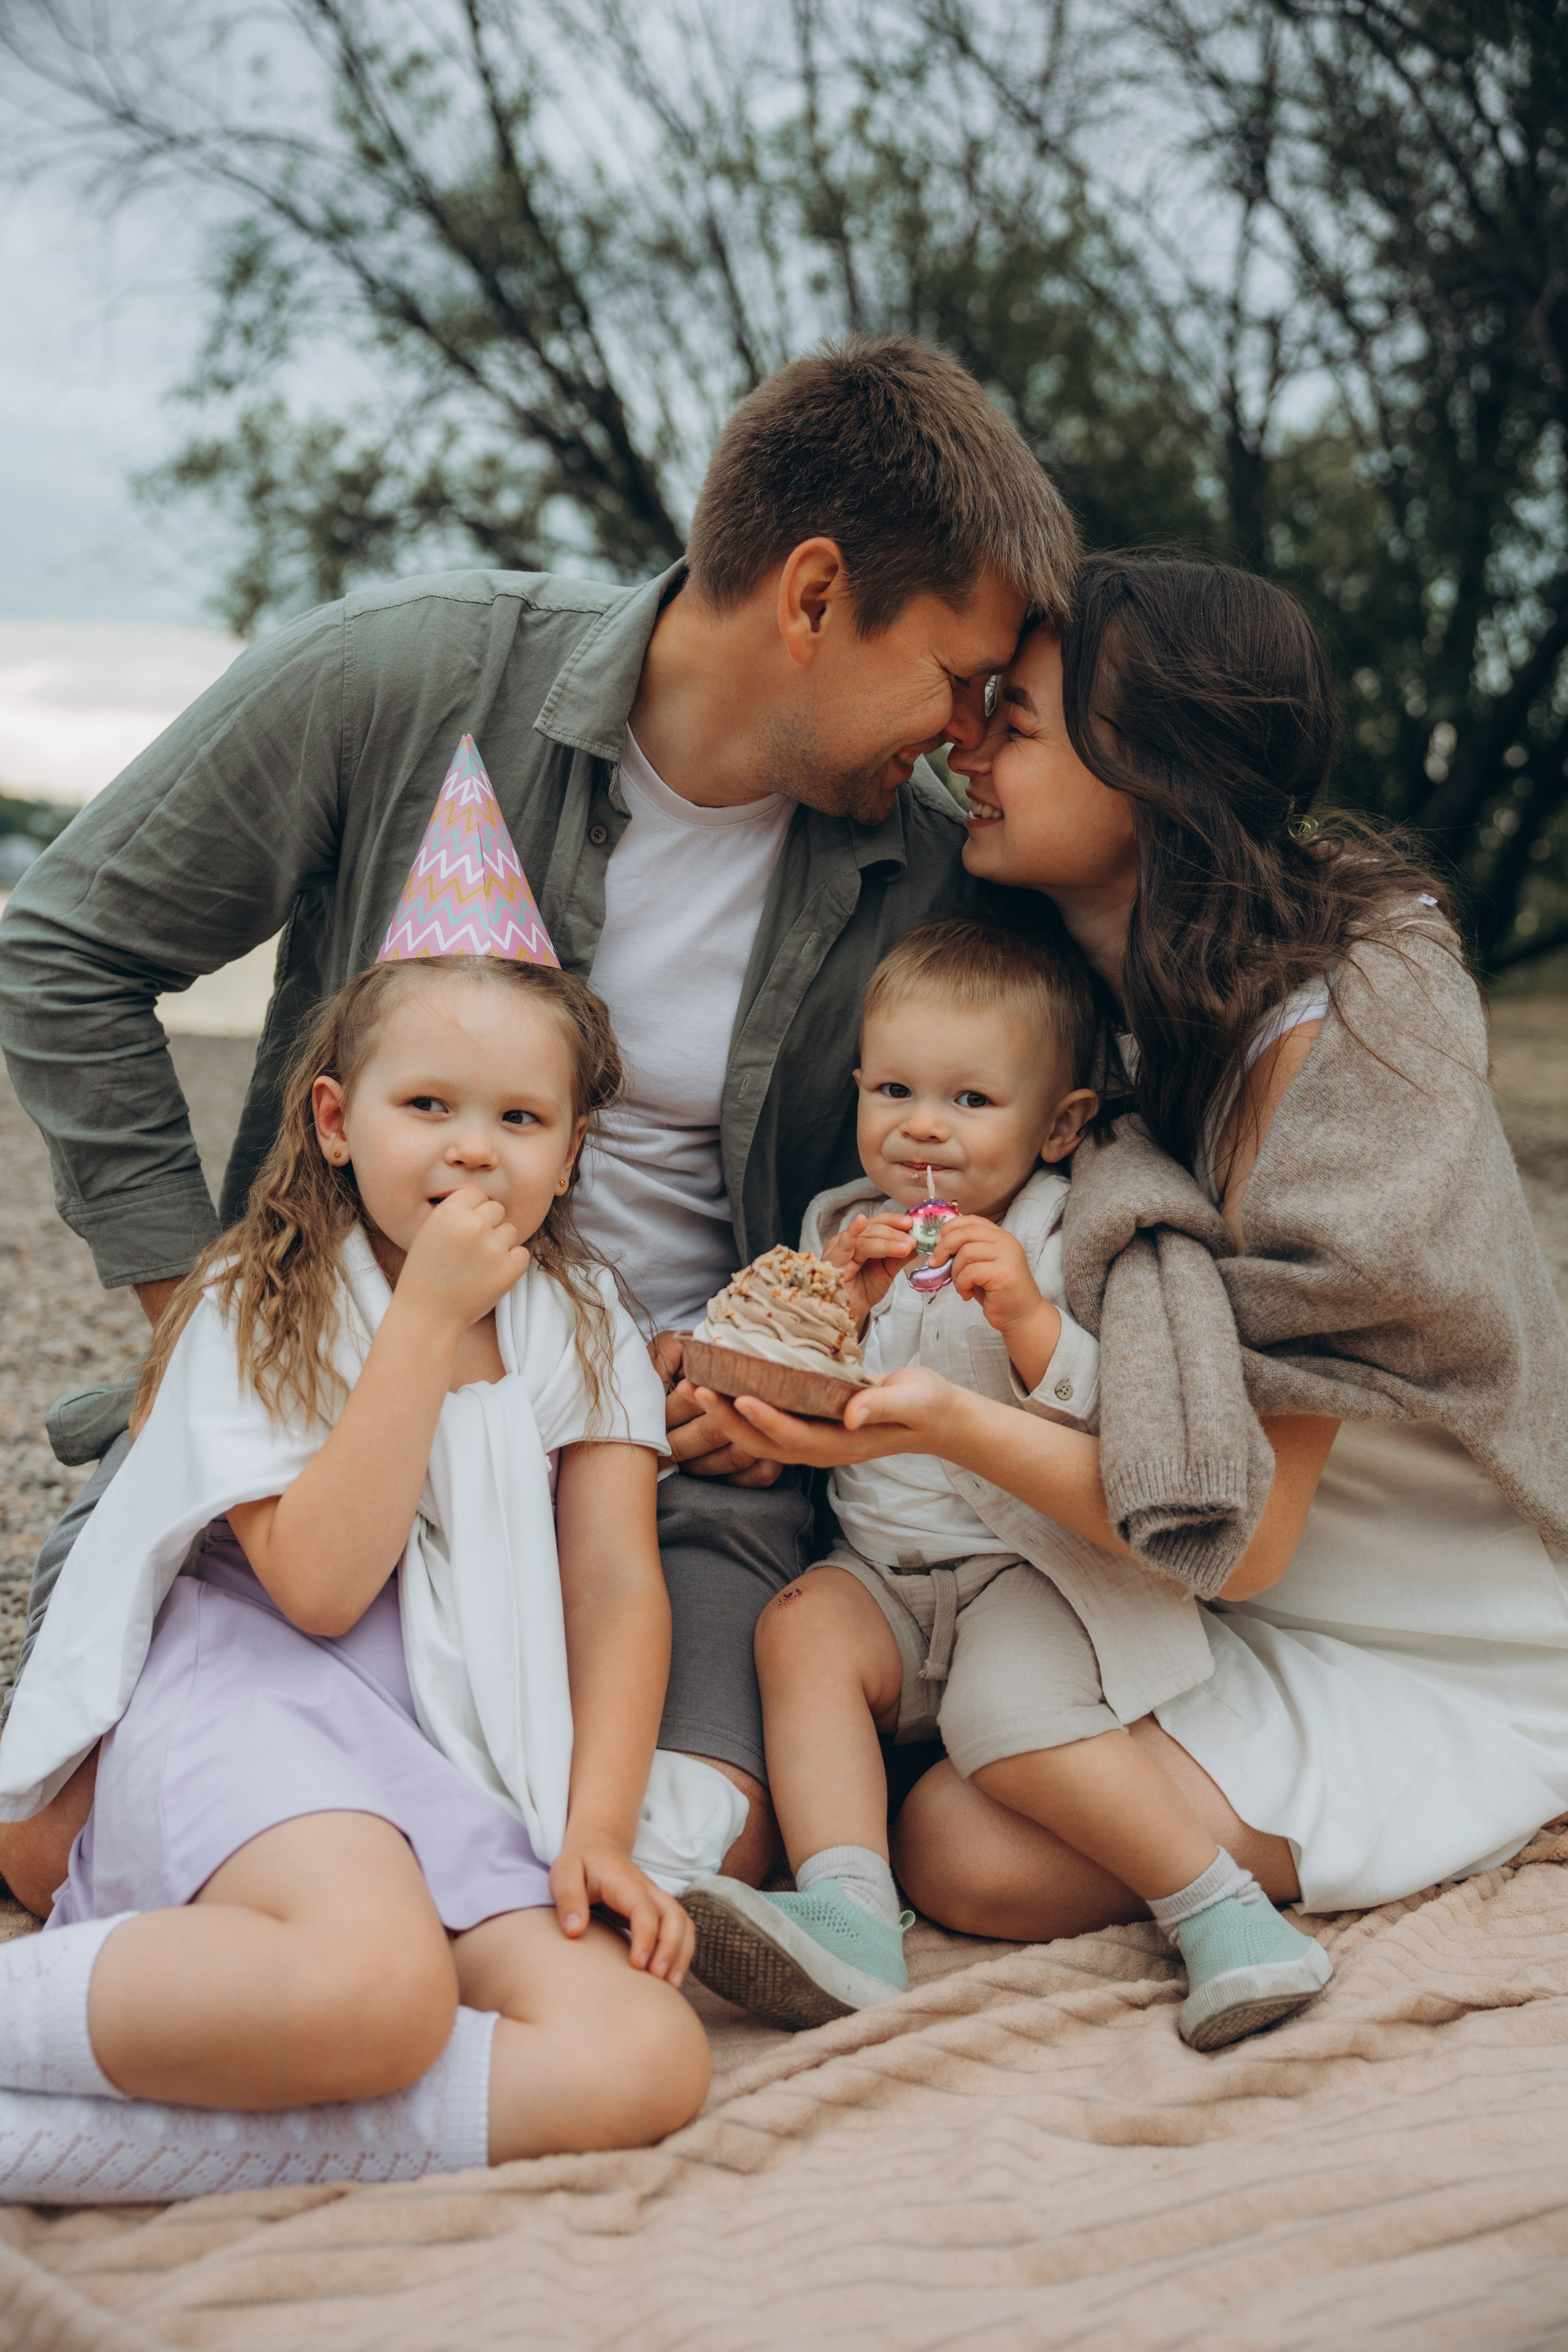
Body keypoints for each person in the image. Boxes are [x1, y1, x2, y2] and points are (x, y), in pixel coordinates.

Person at [0, 336, 1078, 1916]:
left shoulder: (924, 867)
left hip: (673, 1485)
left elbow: (989, 1147)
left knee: (684, 1852)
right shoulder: (410, 675)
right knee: (72, 1824)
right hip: (336, 1412)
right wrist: (219, 1333)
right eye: (955, 678)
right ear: (810, 595)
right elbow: (66, 948)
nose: (969, 733)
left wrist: (787, 1392)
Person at [687, 552, 1568, 1962]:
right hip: (1150, 1582)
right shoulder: (1086, 1012)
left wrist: (935, 1431)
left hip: (1395, 1611)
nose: (961, 743)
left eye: (1013, 722)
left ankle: (1501, 1788)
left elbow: (1244, 1536)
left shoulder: (1333, 1054)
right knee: (943, 1807)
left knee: (964, 1852)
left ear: (1146, 773)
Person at [0, 947, 742, 2203]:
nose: (470, 1149)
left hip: (452, 1737)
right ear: (336, 1121)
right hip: (254, 1695)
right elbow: (321, 1589)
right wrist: (422, 1322)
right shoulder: (257, 1297)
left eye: (518, 1119)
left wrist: (596, 1830)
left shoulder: (579, 1317)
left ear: (569, 1154)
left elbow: (611, 1586)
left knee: (641, 2057)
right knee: (376, 1992)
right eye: (427, 1106)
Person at [682, 916, 1332, 2048]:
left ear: (1061, 1124)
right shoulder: (843, 1227)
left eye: (973, 1102)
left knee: (1004, 1712)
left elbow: (1121, 1417)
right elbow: (803, 1391)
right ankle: (849, 1911)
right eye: (893, 1089)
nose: (924, 1125)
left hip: (1031, 1570)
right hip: (883, 1574)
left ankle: (1221, 1911)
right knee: (799, 1633)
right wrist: (827, 1313)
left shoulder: (1066, 1234)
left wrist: (1029, 1321)